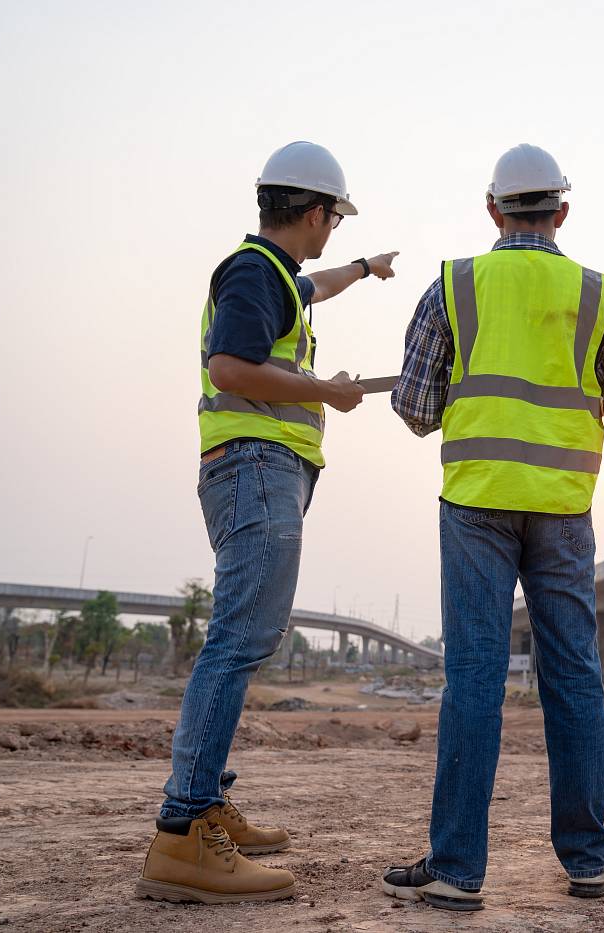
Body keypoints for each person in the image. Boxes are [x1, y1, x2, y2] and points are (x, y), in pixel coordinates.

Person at [382, 143, 604, 911]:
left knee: (472, 676)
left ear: (493, 210)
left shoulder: (455, 285)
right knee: (574, 675)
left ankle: (458, 870)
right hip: (564, 508)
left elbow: (413, 408)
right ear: (561, 211)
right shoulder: (596, 293)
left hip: (475, 501)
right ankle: (590, 860)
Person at [136, 141, 398, 904]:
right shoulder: (253, 273)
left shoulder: (274, 275)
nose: (334, 234)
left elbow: (311, 284)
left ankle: (206, 803)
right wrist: (325, 390)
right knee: (238, 640)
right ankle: (184, 831)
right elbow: (229, 366)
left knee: (244, 638)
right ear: (316, 211)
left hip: (255, 467)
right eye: (335, 222)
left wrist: (365, 271)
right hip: (256, 465)